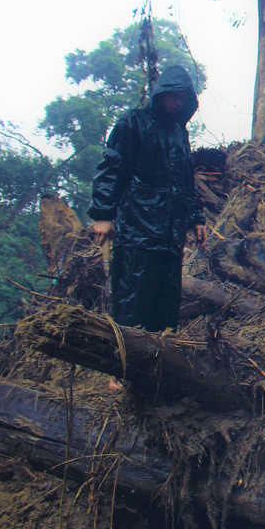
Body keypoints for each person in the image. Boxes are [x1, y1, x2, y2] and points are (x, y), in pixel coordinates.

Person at [88, 65, 207, 333]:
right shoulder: (132, 123)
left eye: (183, 98)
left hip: (170, 237)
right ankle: (122, 371)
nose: (178, 102)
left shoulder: (179, 132)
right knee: (132, 302)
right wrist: (103, 214)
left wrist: (195, 218)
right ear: (160, 94)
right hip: (137, 232)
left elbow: (185, 180)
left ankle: (157, 368)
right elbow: (112, 168)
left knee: (165, 307)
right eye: (174, 95)